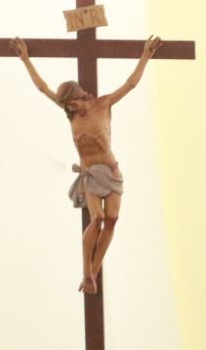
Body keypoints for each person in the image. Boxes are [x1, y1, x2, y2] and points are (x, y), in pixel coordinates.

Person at [12, 34, 162, 294]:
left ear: (77, 95)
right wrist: (26, 60)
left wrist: (146, 56)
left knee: (113, 219)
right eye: (65, 105)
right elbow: (42, 87)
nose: (67, 107)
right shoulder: (71, 116)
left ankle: (94, 271)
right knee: (98, 219)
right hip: (91, 175)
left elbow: (130, 84)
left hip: (111, 172)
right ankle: (87, 271)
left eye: (68, 102)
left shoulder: (102, 104)